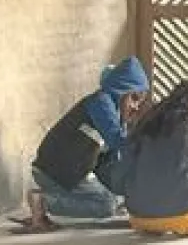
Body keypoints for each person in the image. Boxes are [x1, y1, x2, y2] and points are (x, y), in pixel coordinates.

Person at [19, 57, 150, 233]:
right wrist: (150, 147)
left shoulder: (116, 114)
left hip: (72, 171)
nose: (136, 107)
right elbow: (118, 141)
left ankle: (44, 205)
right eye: (134, 98)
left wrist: (128, 188)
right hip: (54, 171)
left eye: (139, 102)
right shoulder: (101, 103)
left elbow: (110, 162)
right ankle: (43, 201)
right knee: (106, 205)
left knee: (117, 200)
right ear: (121, 88)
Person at [114, 80, 188, 237]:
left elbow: (121, 172)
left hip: (140, 215)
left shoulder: (144, 127)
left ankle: (153, 225)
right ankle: (183, 224)